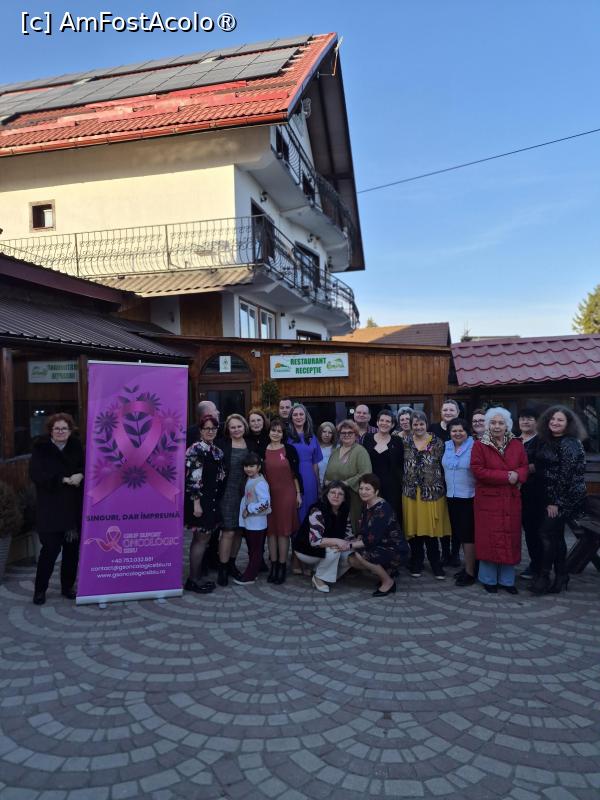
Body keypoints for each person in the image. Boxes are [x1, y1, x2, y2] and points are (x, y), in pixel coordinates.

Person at [529, 405, 587, 595]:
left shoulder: (571, 443)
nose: (555, 422)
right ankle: (562, 575)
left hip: (563, 498)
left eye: (560, 420)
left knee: (545, 533)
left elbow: (566, 476)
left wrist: (556, 502)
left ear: (568, 424)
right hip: (546, 496)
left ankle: (544, 577)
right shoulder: (545, 440)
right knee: (556, 535)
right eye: (552, 419)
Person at [470, 407, 529, 594]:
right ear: (488, 425)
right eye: (493, 422)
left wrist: (518, 475)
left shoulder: (517, 444)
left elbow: (524, 466)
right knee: (489, 539)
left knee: (509, 538)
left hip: (510, 500)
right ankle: (488, 579)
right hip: (489, 500)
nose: (497, 426)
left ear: (507, 425)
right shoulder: (480, 445)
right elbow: (477, 470)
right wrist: (506, 476)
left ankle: (507, 580)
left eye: (501, 423)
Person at [30, 413, 84, 605]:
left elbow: (87, 467)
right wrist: (63, 479)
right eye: (57, 429)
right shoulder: (41, 448)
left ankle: (67, 587)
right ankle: (40, 590)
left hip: (72, 510)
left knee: (71, 552)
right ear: (51, 431)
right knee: (50, 551)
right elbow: (36, 475)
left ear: (70, 430)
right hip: (50, 510)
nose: (61, 432)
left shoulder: (76, 446)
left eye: (64, 428)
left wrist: (81, 475)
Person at [340, 474, 409, 597]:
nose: (363, 492)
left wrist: (349, 545)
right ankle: (388, 571)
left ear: (376, 491)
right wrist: (355, 540)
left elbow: (370, 539)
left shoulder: (381, 509)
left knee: (360, 554)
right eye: (361, 488)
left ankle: (388, 582)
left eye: (368, 489)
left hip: (395, 550)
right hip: (382, 544)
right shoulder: (367, 504)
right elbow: (364, 530)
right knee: (355, 554)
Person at [402, 411, 451, 579]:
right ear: (411, 426)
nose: (418, 427)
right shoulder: (405, 442)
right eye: (415, 424)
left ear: (426, 424)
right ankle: (417, 561)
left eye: (421, 424)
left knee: (431, 531)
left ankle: (436, 564)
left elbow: (445, 465)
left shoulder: (438, 442)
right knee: (414, 530)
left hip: (431, 494)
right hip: (410, 493)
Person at [184, 413, 226, 594]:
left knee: (205, 539)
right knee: (200, 539)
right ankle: (193, 580)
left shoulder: (216, 451)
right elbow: (193, 479)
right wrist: (196, 504)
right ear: (200, 430)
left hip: (212, 500)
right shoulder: (195, 449)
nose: (210, 431)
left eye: (213, 428)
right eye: (206, 428)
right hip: (200, 501)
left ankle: (197, 576)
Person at [293, 481, 353, 592]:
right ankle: (319, 578)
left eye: (340, 494)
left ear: (344, 498)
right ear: (326, 494)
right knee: (334, 549)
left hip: (324, 547)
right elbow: (315, 541)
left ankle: (323, 573)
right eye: (333, 492)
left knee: (351, 551)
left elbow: (348, 535)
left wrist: (351, 543)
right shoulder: (317, 510)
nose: (336, 496)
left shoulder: (345, 510)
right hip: (305, 549)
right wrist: (337, 541)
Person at [217, 414, 256, 586]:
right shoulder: (222, 444)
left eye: (239, 426)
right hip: (228, 494)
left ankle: (232, 565)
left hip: (246, 494)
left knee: (240, 531)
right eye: (232, 427)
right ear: (228, 429)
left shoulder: (251, 444)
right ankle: (223, 569)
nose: (236, 429)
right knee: (228, 532)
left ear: (244, 426)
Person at [264, 417, 303, 584]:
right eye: (273, 430)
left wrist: (298, 494)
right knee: (271, 531)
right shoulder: (262, 449)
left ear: (283, 434)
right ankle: (273, 565)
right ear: (269, 432)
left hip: (287, 494)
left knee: (283, 531)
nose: (276, 433)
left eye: (279, 431)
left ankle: (282, 566)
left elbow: (295, 474)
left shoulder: (289, 449)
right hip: (267, 496)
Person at [442, 418, 476, 586]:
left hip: (469, 497)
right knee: (461, 535)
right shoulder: (447, 446)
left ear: (467, 432)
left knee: (468, 536)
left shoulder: (474, 446)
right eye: (454, 431)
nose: (457, 433)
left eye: (461, 430)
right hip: (451, 496)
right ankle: (468, 567)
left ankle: (470, 572)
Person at [324, 420, 372, 533]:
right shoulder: (335, 451)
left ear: (356, 435)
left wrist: (346, 483)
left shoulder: (360, 451)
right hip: (335, 499)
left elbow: (366, 473)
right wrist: (326, 481)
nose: (346, 435)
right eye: (343, 433)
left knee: (349, 530)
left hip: (352, 498)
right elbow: (328, 471)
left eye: (350, 432)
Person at [235, 452, 271, 585]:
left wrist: (249, 509)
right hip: (250, 522)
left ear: (259, 467)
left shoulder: (260, 483)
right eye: (246, 466)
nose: (248, 469)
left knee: (255, 550)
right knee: (252, 548)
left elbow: (265, 503)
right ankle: (257, 568)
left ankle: (250, 575)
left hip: (257, 523)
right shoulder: (250, 479)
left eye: (252, 466)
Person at [517, 407, 544, 580]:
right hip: (514, 492)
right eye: (522, 418)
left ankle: (538, 566)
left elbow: (540, 465)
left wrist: (518, 471)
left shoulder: (541, 441)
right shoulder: (513, 439)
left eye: (529, 418)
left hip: (534, 493)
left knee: (533, 531)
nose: (525, 422)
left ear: (537, 421)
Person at [361, 409, 404, 517]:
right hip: (371, 486)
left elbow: (400, 464)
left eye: (388, 421)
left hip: (392, 487)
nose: (384, 423)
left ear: (392, 424)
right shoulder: (367, 438)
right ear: (377, 422)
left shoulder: (397, 441)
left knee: (392, 516)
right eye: (382, 420)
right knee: (371, 516)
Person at [287, 403, 323, 525]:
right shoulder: (287, 437)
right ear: (291, 418)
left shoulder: (312, 437)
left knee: (310, 510)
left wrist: (318, 484)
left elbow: (315, 464)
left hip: (309, 479)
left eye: (301, 414)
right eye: (295, 415)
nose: (298, 417)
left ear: (306, 416)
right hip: (292, 477)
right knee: (295, 510)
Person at [316, 422, 337, 487]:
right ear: (320, 433)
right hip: (317, 484)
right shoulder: (314, 448)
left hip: (333, 486)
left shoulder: (337, 448)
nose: (327, 435)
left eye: (330, 433)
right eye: (324, 432)